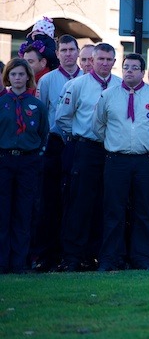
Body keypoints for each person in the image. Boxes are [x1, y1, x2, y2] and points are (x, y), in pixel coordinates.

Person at [93, 53, 149, 271]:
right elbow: (98, 126)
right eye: (125, 67)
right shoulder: (108, 95)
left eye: (134, 68)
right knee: (113, 211)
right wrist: (114, 142)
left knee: (144, 211)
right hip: (117, 160)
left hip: (145, 161)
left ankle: (142, 258)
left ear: (142, 72)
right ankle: (110, 258)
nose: (128, 71)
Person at [54, 43, 121, 272]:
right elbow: (62, 118)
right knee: (80, 204)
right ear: (91, 60)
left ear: (114, 61)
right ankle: (73, 257)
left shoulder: (121, 85)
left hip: (111, 151)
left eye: (108, 59)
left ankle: (99, 256)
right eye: (100, 59)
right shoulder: (77, 85)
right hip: (85, 149)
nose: (104, 63)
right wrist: (78, 135)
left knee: (107, 204)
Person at [31, 34, 83, 272]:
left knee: (75, 202)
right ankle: (45, 255)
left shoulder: (87, 79)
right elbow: (42, 115)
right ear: (58, 53)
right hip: (54, 144)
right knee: (49, 201)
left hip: (78, 144)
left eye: (72, 50)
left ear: (78, 52)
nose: (68, 54)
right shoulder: (48, 80)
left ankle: (71, 254)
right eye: (64, 50)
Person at [0, 59, 49, 274]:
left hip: (28, 162)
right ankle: (2, 262)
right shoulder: (2, 103)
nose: (17, 78)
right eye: (13, 74)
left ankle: (19, 262)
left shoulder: (37, 105)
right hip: (4, 161)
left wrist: (36, 156)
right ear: (7, 77)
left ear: (27, 76)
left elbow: (43, 133)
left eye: (21, 74)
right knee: (3, 212)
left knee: (24, 212)